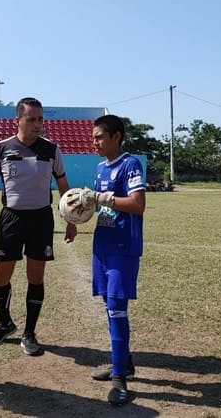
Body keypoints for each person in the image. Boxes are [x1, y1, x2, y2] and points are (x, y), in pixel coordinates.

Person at [0, 97, 77, 357]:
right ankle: (5, 322)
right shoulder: (1, 148)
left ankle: (29, 333)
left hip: (41, 220)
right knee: (0, 276)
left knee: (36, 277)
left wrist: (71, 220)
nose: (37, 124)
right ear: (18, 120)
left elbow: (64, 188)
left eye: (40, 119)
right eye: (31, 119)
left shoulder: (52, 150)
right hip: (10, 219)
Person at [65, 114, 146, 406]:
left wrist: (101, 198)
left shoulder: (130, 164)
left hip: (123, 248)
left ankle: (119, 381)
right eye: (93, 136)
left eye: (99, 137)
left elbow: (137, 205)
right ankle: (123, 362)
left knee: (116, 309)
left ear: (116, 136)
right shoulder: (100, 168)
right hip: (103, 245)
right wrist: (80, 209)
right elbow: (102, 207)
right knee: (109, 307)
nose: (94, 141)